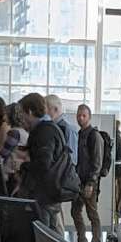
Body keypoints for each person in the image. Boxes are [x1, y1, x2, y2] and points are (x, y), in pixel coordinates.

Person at [17, 92, 78, 225]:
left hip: (44, 196)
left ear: (30, 111)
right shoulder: (48, 128)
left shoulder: (44, 131)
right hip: (47, 195)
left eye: (22, 114)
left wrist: (22, 165)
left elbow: (43, 164)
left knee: (44, 237)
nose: (20, 119)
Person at [72, 103, 105, 242]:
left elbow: (97, 161)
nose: (80, 118)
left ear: (89, 117)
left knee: (92, 213)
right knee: (75, 211)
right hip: (78, 181)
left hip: (89, 181)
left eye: (83, 115)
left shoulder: (94, 136)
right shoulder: (78, 135)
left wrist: (91, 182)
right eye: (78, 115)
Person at [46, 94, 78, 164]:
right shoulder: (50, 126)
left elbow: (72, 159)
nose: (45, 112)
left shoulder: (68, 128)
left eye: (47, 109)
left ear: (56, 109)